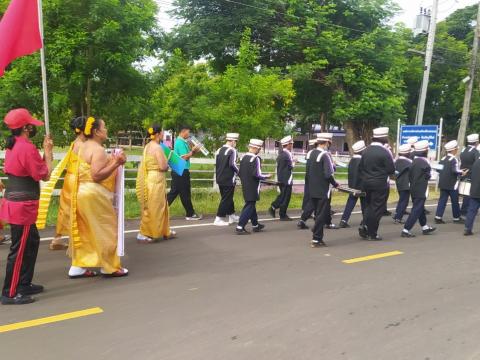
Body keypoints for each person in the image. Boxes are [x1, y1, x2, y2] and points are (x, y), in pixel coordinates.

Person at [0, 108, 53, 305]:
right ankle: (10, 292)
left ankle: (23, 282)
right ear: (25, 127)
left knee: (32, 241)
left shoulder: (13, 145)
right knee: (20, 248)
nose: (33, 127)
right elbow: (45, 175)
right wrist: (47, 153)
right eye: (30, 124)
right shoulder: (26, 147)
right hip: (22, 206)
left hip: (17, 202)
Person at [69, 117, 128, 278]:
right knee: (106, 228)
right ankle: (109, 267)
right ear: (96, 131)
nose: (106, 130)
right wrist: (116, 163)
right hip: (94, 194)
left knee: (84, 232)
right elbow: (96, 175)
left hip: (80, 192)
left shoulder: (80, 146)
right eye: (105, 127)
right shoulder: (97, 149)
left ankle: (78, 266)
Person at [49, 117, 87, 250]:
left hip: (69, 179)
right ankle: (76, 238)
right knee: (77, 209)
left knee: (65, 209)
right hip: (76, 180)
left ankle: (58, 238)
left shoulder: (75, 142)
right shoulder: (83, 145)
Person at [136, 125, 176, 243]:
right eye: (162, 132)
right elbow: (163, 167)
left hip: (150, 178)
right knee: (155, 207)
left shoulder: (148, 146)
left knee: (159, 206)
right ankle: (144, 232)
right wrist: (169, 160)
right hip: (156, 179)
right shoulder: (157, 148)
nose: (164, 134)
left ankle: (164, 230)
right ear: (158, 134)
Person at [358, 127, 395, 241]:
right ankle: (372, 233)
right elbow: (391, 169)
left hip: (366, 183)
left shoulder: (366, 150)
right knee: (377, 208)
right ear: (384, 138)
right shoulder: (385, 152)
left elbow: (360, 168)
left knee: (368, 207)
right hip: (380, 183)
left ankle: (364, 225)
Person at [308, 133, 339, 247]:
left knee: (318, 213)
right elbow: (328, 174)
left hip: (312, 188)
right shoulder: (325, 155)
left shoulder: (312, 153)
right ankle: (316, 238)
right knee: (321, 214)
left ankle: (317, 235)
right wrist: (335, 184)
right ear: (326, 143)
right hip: (322, 189)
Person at [401, 140, 436, 238]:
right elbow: (429, 176)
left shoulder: (414, 161)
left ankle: (424, 227)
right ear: (425, 151)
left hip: (414, 188)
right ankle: (406, 229)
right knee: (416, 209)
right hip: (421, 188)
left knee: (419, 208)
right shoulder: (424, 162)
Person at [167, 125, 202, 220]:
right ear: (184, 131)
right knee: (180, 193)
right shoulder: (180, 142)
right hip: (181, 170)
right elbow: (184, 157)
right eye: (188, 132)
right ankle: (190, 214)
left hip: (180, 170)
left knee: (180, 193)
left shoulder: (182, 142)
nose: (189, 134)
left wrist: (194, 151)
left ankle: (190, 213)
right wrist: (193, 151)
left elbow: (187, 155)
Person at [236, 139, 271, 235]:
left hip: (245, 183)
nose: (259, 150)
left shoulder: (243, 157)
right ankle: (240, 226)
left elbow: (239, 172)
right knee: (250, 205)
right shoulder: (256, 158)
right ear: (255, 148)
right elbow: (257, 174)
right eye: (259, 148)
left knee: (251, 204)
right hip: (253, 185)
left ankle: (255, 225)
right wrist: (266, 176)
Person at [434, 140, 464, 224]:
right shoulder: (454, 159)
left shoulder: (443, 158)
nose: (457, 150)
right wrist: (462, 172)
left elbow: (438, 169)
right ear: (454, 150)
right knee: (455, 201)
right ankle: (456, 218)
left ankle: (438, 217)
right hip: (452, 184)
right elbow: (455, 170)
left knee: (442, 200)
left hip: (443, 183)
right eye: (456, 149)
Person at [214, 133, 240, 226]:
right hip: (228, 178)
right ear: (232, 141)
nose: (236, 143)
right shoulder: (232, 151)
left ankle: (232, 216)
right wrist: (240, 173)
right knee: (226, 198)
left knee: (228, 197)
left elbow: (217, 164)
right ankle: (218, 218)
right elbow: (232, 164)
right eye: (236, 141)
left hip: (220, 177)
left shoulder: (219, 150)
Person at [339, 140, 366, 228]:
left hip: (352, 185)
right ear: (362, 150)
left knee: (350, 202)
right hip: (362, 186)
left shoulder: (352, 160)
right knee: (365, 203)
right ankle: (365, 221)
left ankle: (344, 220)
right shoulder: (362, 161)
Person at [269, 135, 295, 221]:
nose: (292, 145)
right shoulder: (287, 154)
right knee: (285, 197)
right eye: (291, 144)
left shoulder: (281, 154)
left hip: (282, 178)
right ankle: (277, 209)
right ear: (287, 145)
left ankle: (280, 212)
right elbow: (290, 166)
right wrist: (295, 162)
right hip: (286, 178)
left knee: (283, 195)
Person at [297, 139, 318, 230]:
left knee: (310, 198)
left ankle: (305, 216)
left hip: (309, 177)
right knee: (315, 199)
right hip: (316, 179)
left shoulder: (310, 153)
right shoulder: (316, 153)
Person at [460, 133, 480, 216]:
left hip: (463, 173)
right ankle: (465, 210)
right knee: (470, 194)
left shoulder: (463, 150)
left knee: (466, 194)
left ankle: (464, 210)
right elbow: (477, 164)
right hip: (472, 174)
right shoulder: (475, 152)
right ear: (476, 142)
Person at [392, 144, 413, 224]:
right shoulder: (408, 162)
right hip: (406, 184)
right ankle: (398, 218)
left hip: (399, 183)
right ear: (407, 153)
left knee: (401, 200)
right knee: (404, 201)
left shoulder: (396, 161)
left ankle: (397, 214)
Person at [464, 156, 480, 236]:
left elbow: (470, 176)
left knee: (471, 211)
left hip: (474, 190)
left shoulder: (475, 163)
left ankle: (467, 228)